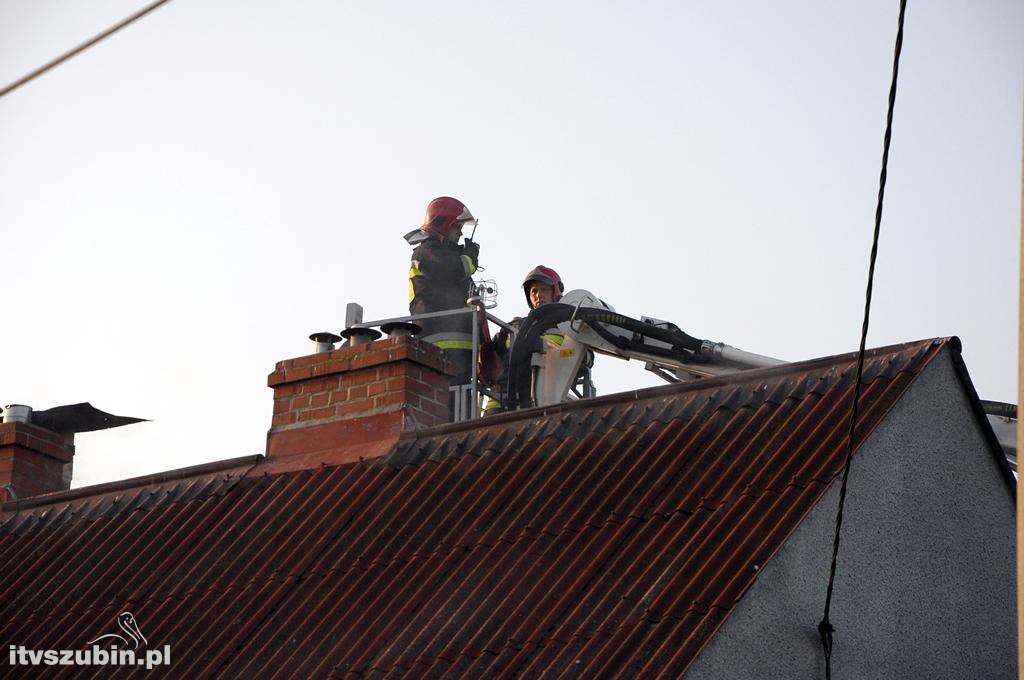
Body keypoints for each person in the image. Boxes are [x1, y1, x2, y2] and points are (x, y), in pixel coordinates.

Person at [405, 196, 481, 390]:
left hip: (458, 339)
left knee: (461, 399)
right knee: (448, 399)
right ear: (443, 224)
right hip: (440, 338)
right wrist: (470, 256)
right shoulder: (427, 251)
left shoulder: (440, 252)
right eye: (457, 228)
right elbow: (456, 269)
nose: (460, 233)